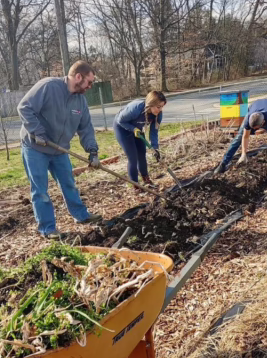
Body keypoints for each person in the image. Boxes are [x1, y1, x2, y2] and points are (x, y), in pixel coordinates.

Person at [17, 61, 103, 240]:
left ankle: (81, 215)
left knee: (69, 183)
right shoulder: (48, 86)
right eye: (89, 82)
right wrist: (37, 132)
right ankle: (48, 229)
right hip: (35, 148)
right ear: (78, 77)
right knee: (40, 190)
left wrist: (92, 151)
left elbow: (85, 128)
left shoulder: (80, 100)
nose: (89, 86)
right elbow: (24, 107)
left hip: (59, 149)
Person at [114, 91, 166, 191]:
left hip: (137, 129)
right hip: (123, 128)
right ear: (151, 103)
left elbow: (154, 132)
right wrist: (133, 129)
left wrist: (155, 148)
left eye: (162, 107)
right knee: (133, 157)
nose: (160, 110)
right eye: (158, 107)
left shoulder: (158, 115)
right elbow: (120, 120)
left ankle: (146, 180)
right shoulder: (136, 108)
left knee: (142, 153)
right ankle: (136, 185)